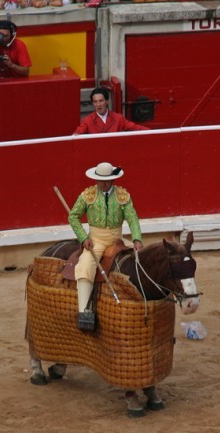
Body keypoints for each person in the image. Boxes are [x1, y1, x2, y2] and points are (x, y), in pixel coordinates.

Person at [68, 162, 143, 323]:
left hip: (118, 239)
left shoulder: (123, 195)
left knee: (140, 259)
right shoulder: (88, 195)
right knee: (85, 266)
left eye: (106, 181)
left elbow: (132, 218)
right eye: (100, 181)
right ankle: (84, 312)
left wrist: (137, 239)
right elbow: (73, 216)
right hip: (97, 240)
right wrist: (84, 238)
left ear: (112, 180)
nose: (102, 184)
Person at [73, 87, 149, 135]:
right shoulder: (87, 121)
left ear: (107, 101)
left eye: (101, 101)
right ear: (93, 103)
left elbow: (135, 128)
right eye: (95, 102)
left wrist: (155, 133)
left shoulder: (118, 118)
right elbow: (76, 135)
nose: (98, 104)